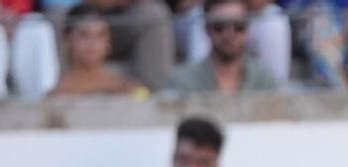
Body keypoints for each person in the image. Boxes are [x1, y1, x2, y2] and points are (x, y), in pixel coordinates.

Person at [40, 0, 172, 89]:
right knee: (53, 20)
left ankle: (152, 91)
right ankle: (62, 85)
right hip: (74, 10)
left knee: (154, 14)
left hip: (126, 13)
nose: (92, 45)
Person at [167, 0, 281, 91]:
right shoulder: (183, 82)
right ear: (207, 29)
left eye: (238, 25)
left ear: (247, 30)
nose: (229, 34)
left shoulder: (266, 81)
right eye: (219, 26)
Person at [48, 3, 142, 94]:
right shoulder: (57, 93)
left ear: (108, 42)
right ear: (67, 40)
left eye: (100, 35)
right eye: (84, 34)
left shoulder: (127, 89)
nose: (92, 43)